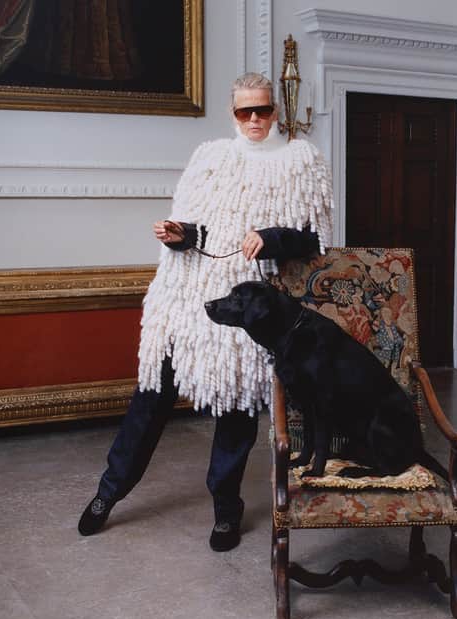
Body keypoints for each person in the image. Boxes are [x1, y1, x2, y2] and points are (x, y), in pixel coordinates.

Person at [78, 72, 334, 551]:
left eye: (263, 110)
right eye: (244, 111)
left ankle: (225, 510)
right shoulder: (210, 158)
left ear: (276, 111)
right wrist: (180, 234)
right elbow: (200, 230)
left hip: (248, 303)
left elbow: (314, 238)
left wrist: (271, 238)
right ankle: (108, 492)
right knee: (150, 398)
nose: (254, 119)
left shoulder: (302, 160)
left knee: (235, 407)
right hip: (186, 295)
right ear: (232, 113)